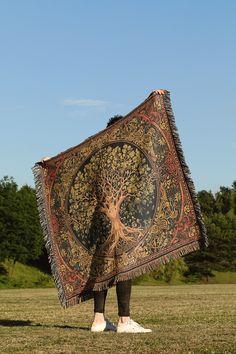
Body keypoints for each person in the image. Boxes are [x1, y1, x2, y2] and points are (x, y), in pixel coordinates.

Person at [41, 89, 166, 333]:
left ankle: (98, 320)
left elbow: (73, 160)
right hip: (118, 218)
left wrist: (51, 163)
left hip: (98, 222)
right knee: (124, 265)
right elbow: (151, 138)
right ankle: (124, 321)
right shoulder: (127, 154)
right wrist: (156, 100)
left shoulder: (95, 153)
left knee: (101, 266)